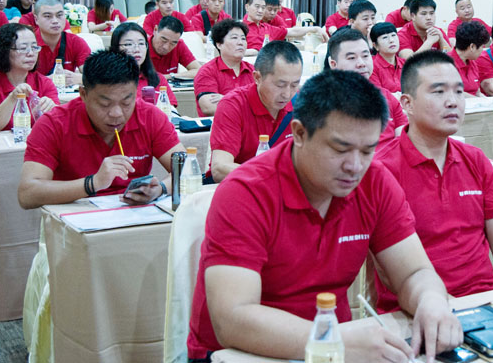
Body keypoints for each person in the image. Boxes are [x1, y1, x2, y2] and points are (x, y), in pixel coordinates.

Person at [187, 69, 461, 362]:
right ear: (299, 133)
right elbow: (232, 319)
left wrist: (431, 301)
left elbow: (413, 273)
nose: (355, 166)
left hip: (331, 345)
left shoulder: (375, 181)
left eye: (367, 151)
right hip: (240, 354)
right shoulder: (245, 192)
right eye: (340, 149)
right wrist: (335, 339)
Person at [374, 50, 493, 312]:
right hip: (418, 310)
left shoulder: (475, 160)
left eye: (458, 91)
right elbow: (390, 271)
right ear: (407, 104)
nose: (453, 101)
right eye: (439, 92)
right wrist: (446, 309)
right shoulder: (383, 171)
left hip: (487, 301)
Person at [18, 50, 184, 209]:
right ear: (83, 94)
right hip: (74, 217)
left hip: (136, 214)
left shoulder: (149, 116)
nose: (116, 114)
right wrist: (93, 183)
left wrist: (161, 188)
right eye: (105, 104)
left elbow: (187, 169)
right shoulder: (54, 123)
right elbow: (27, 194)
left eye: (126, 103)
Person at [209, 41, 302, 182]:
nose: (287, 94)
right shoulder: (233, 106)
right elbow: (219, 168)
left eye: (294, 85)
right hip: (242, 188)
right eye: (280, 85)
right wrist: (271, 175)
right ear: (257, 77)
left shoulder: (301, 105)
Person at [0, 23, 59, 132]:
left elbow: (58, 125)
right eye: (23, 48)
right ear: (4, 51)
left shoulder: (44, 83)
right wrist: (13, 97)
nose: (31, 53)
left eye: (34, 47)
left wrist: (53, 108)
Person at [327, 29, 406, 146]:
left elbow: (403, 143)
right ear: (334, 65)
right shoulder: (324, 104)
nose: (361, 63)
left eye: (365, 56)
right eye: (351, 58)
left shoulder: (387, 97)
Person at [193, 19, 254, 117]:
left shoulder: (253, 70)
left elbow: (267, 103)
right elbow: (209, 107)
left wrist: (227, 98)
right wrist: (249, 103)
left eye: (243, 39)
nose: (240, 43)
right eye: (234, 38)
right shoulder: (207, 71)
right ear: (219, 44)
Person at [110, 22, 178, 106]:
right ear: (115, 48)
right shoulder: (107, 81)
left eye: (141, 43)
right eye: (129, 44)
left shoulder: (158, 79)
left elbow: (171, 110)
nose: (137, 49)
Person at [33, 0, 90, 85]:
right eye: (48, 16)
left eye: (59, 15)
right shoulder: (28, 43)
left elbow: (92, 75)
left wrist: (81, 79)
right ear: (36, 19)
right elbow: (18, 80)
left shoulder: (76, 42)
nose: (55, 21)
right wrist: (46, 81)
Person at [242, 0, 326, 53]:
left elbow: (291, 31)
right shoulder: (241, 29)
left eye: (263, 8)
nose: (260, 11)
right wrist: (256, 51)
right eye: (257, 7)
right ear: (247, 7)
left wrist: (315, 28)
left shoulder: (267, 27)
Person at [448, 20, 489, 97]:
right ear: (472, 47)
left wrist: (485, 100)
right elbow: (453, 92)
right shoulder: (447, 64)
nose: (482, 50)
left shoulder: (472, 62)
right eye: (482, 46)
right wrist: (478, 100)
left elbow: (477, 92)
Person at [369, 22, 404, 93]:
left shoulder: (405, 63)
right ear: (375, 45)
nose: (391, 40)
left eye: (393, 35)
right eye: (385, 37)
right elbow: (378, 94)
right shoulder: (371, 66)